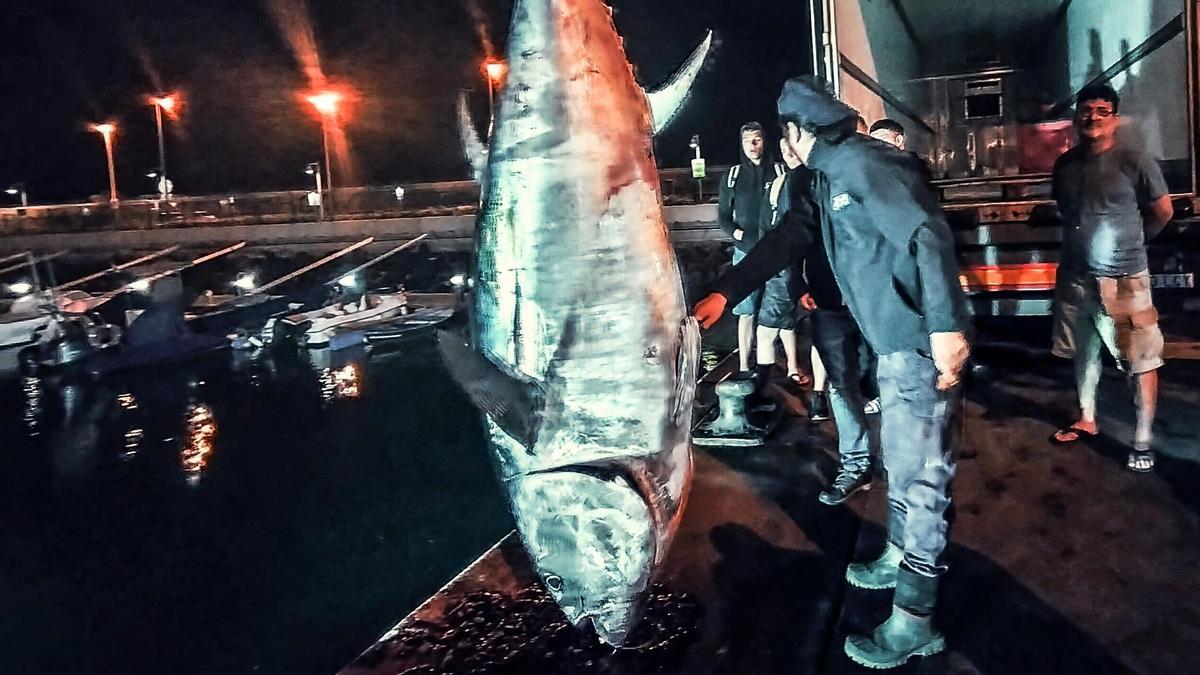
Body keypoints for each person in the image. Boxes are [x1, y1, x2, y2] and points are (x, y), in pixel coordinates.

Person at [693, 76, 971, 669]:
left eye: (784, 133)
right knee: (898, 459)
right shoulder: (819, 178)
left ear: (797, 132)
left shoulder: (865, 164)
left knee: (921, 474)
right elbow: (789, 235)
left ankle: (914, 619)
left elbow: (927, 231)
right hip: (889, 341)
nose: (780, 144)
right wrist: (726, 290)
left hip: (915, 342)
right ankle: (898, 553)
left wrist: (948, 325)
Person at [1049, 84, 1172, 472]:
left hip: (1124, 278)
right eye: (1086, 110)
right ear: (1076, 118)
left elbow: (1162, 211)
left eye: (1102, 110)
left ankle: (1142, 438)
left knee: (1141, 358)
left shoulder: (1135, 161)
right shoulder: (1065, 165)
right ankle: (1087, 418)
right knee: (1084, 351)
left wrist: (1134, 247)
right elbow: (1068, 213)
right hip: (1076, 276)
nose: (1093, 116)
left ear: (1114, 118)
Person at [718, 122, 785, 373]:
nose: (752, 146)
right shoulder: (733, 176)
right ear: (741, 144)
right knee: (745, 311)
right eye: (747, 141)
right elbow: (723, 216)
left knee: (777, 311)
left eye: (756, 140)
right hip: (744, 253)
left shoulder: (779, 171)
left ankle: (777, 364)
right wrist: (738, 235)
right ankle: (745, 364)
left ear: (764, 141)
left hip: (775, 252)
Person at [752, 137, 811, 394]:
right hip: (793, 267)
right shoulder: (783, 182)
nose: (788, 153)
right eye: (784, 149)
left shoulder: (793, 183)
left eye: (792, 148)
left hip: (785, 268)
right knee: (786, 324)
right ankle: (795, 372)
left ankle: (762, 390)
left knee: (765, 332)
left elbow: (780, 229)